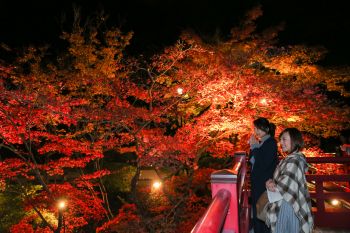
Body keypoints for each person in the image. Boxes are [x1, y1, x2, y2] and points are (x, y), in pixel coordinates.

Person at [265, 128, 313, 233]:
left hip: (288, 203)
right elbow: (282, 181)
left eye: (284, 139)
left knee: (284, 228)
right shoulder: (292, 158)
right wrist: (271, 182)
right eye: (280, 140)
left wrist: (270, 184)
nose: (281, 143)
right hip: (287, 200)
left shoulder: (294, 160)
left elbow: (283, 184)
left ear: (294, 140)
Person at [249, 117, 278, 233]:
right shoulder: (262, 142)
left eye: (259, 128)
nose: (256, 131)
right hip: (258, 182)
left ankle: (261, 231)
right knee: (258, 208)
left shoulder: (270, 143)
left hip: (264, 182)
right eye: (255, 128)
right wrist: (253, 147)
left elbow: (263, 163)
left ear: (266, 128)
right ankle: (257, 230)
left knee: (262, 209)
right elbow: (253, 161)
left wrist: (255, 147)